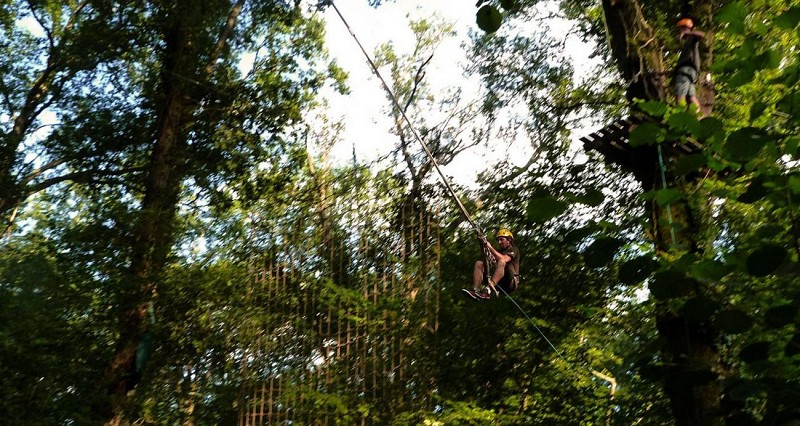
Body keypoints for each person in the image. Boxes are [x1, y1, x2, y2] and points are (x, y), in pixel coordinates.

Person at [462, 228, 520, 301]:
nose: (499, 242)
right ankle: (476, 290)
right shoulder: (498, 252)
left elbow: (504, 259)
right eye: (498, 240)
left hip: (510, 282)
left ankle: (490, 286)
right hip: (499, 281)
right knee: (479, 263)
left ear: (509, 240)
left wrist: (490, 247)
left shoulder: (514, 249)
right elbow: (486, 261)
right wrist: (483, 245)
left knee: (502, 261)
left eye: (502, 239)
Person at [673, 16, 705, 113]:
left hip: (685, 71)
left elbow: (702, 34)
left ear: (685, 28)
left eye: (680, 30)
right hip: (690, 73)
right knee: (691, 97)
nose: (679, 33)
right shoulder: (688, 43)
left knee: (680, 95)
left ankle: (680, 116)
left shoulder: (692, 38)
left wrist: (686, 33)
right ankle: (698, 116)